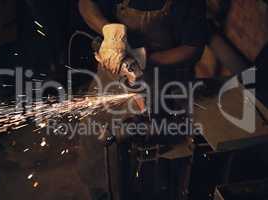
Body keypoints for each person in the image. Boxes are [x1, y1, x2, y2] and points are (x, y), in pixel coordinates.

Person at [78, 0, 208, 199]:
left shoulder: (187, 4)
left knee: (140, 159)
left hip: (157, 82)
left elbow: (193, 47)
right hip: (109, 76)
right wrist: (108, 30)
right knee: (96, 144)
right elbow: (87, 3)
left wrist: (147, 58)